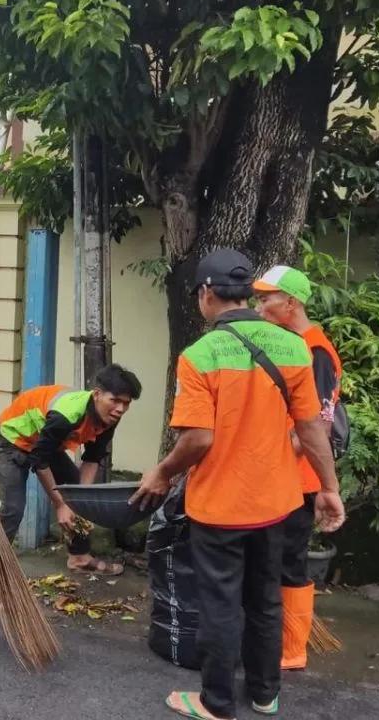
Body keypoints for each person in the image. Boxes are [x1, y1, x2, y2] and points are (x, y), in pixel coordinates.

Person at [130, 249, 345, 720]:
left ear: (207, 294)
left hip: (220, 507)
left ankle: (217, 702)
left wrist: (164, 472)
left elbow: (198, 439)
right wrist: (329, 487)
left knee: (221, 603)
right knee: (265, 599)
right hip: (278, 502)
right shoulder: (293, 347)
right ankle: (266, 694)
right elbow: (312, 428)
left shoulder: (200, 355)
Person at [0, 364, 143, 611]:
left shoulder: (109, 417)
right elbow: (39, 461)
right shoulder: (66, 415)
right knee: (12, 510)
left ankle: (79, 557)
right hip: (13, 441)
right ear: (97, 394)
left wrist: (79, 501)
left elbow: (93, 458)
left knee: (79, 494)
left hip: (45, 445)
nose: (121, 409)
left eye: (126, 403)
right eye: (115, 400)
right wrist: (61, 504)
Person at [254, 265, 343, 671]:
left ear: (290, 303)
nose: (259, 306)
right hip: (281, 477)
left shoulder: (315, 351)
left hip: (299, 480)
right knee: (273, 559)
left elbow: (317, 423)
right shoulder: (295, 345)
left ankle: (292, 650)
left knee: (290, 562)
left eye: (265, 298)